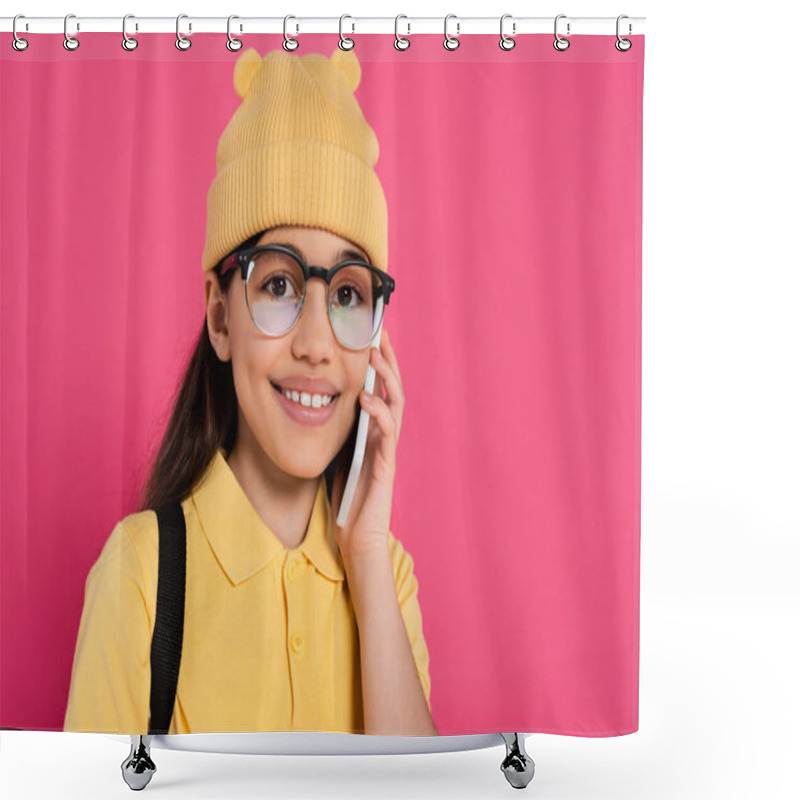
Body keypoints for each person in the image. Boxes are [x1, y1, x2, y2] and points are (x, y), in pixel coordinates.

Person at [63, 45, 436, 737]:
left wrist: (366, 556)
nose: (318, 345)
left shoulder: (388, 577)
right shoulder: (140, 575)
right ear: (220, 315)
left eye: (349, 294)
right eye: (279, 285)